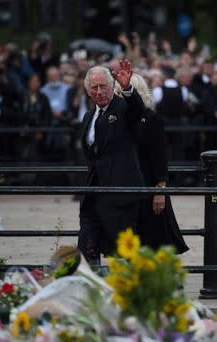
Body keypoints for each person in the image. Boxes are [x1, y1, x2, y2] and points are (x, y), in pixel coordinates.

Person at [78, 60, 147, 264]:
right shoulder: (88, 116)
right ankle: (91, 288)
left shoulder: (123, 108)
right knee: (87, 245)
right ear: (88, 91)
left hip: (120, 194)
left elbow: (137, 109)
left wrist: (127, 88)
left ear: (111, 86)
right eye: (94, 87)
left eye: (103, 86)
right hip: (93, 194)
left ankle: (125, 291)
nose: (99, 91)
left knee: (122, 254)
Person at [115, 74, 189, 254]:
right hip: (125, 183)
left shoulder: (151, 119)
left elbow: (159, 157)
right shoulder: (116, 119)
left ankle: (160, 274)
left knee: (155, 234)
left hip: (149, 183)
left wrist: (160, 190)